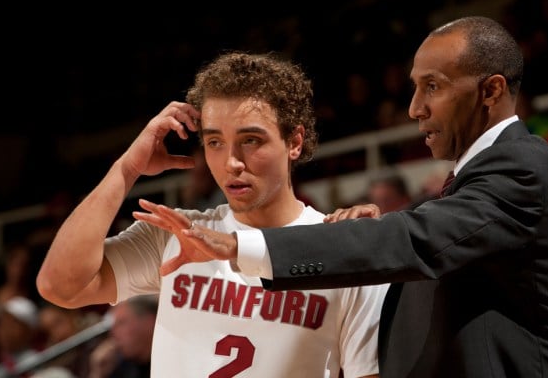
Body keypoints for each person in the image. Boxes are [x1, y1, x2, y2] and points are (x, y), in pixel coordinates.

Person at [138, 16, 548, 377]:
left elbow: (418, 241)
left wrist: (243, 245)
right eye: (415, 86)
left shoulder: (522, 167)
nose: (415, 107)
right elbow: (431, 246)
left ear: (490, 91)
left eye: (432, 87)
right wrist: (373, 224)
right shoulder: (480, 180)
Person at [35, 52, 387, 378]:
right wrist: (127, 168)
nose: (231, 163)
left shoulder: (341, 246)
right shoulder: (174, 231)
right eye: (215, 142)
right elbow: (60, 286)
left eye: (251, 140)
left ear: (295, 141)